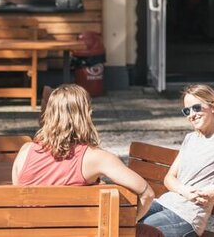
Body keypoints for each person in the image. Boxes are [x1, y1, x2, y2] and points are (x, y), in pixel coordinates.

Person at [12, 84, 156, 221]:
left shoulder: (25, 151)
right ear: (86, 115)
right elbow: (147, 193)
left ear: (48, 115)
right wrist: (130, 223)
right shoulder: (97, 158)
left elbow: (16, 197)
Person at [140, 84, 214, 237]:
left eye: (196, 108)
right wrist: (184, 191)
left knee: (142, 229)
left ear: (213, 107)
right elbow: (169, 178)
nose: (192, 114)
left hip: (187, 216)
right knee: (125, 218)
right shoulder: (190, 138)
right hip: (165, 202)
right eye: (187, 111)